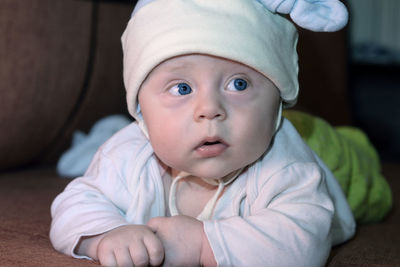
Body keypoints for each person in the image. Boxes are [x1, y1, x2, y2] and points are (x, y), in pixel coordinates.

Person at [50, 0, 356, 266]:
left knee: (355, 168)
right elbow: (75, 204)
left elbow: (303, 242)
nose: (209, 109)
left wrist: (202, 243)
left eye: (239, 84)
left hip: (326, 153)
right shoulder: (128, 153)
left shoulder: (286, 165)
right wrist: (105, 235)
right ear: (142, 113)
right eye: (182, 88)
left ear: (277, 103)